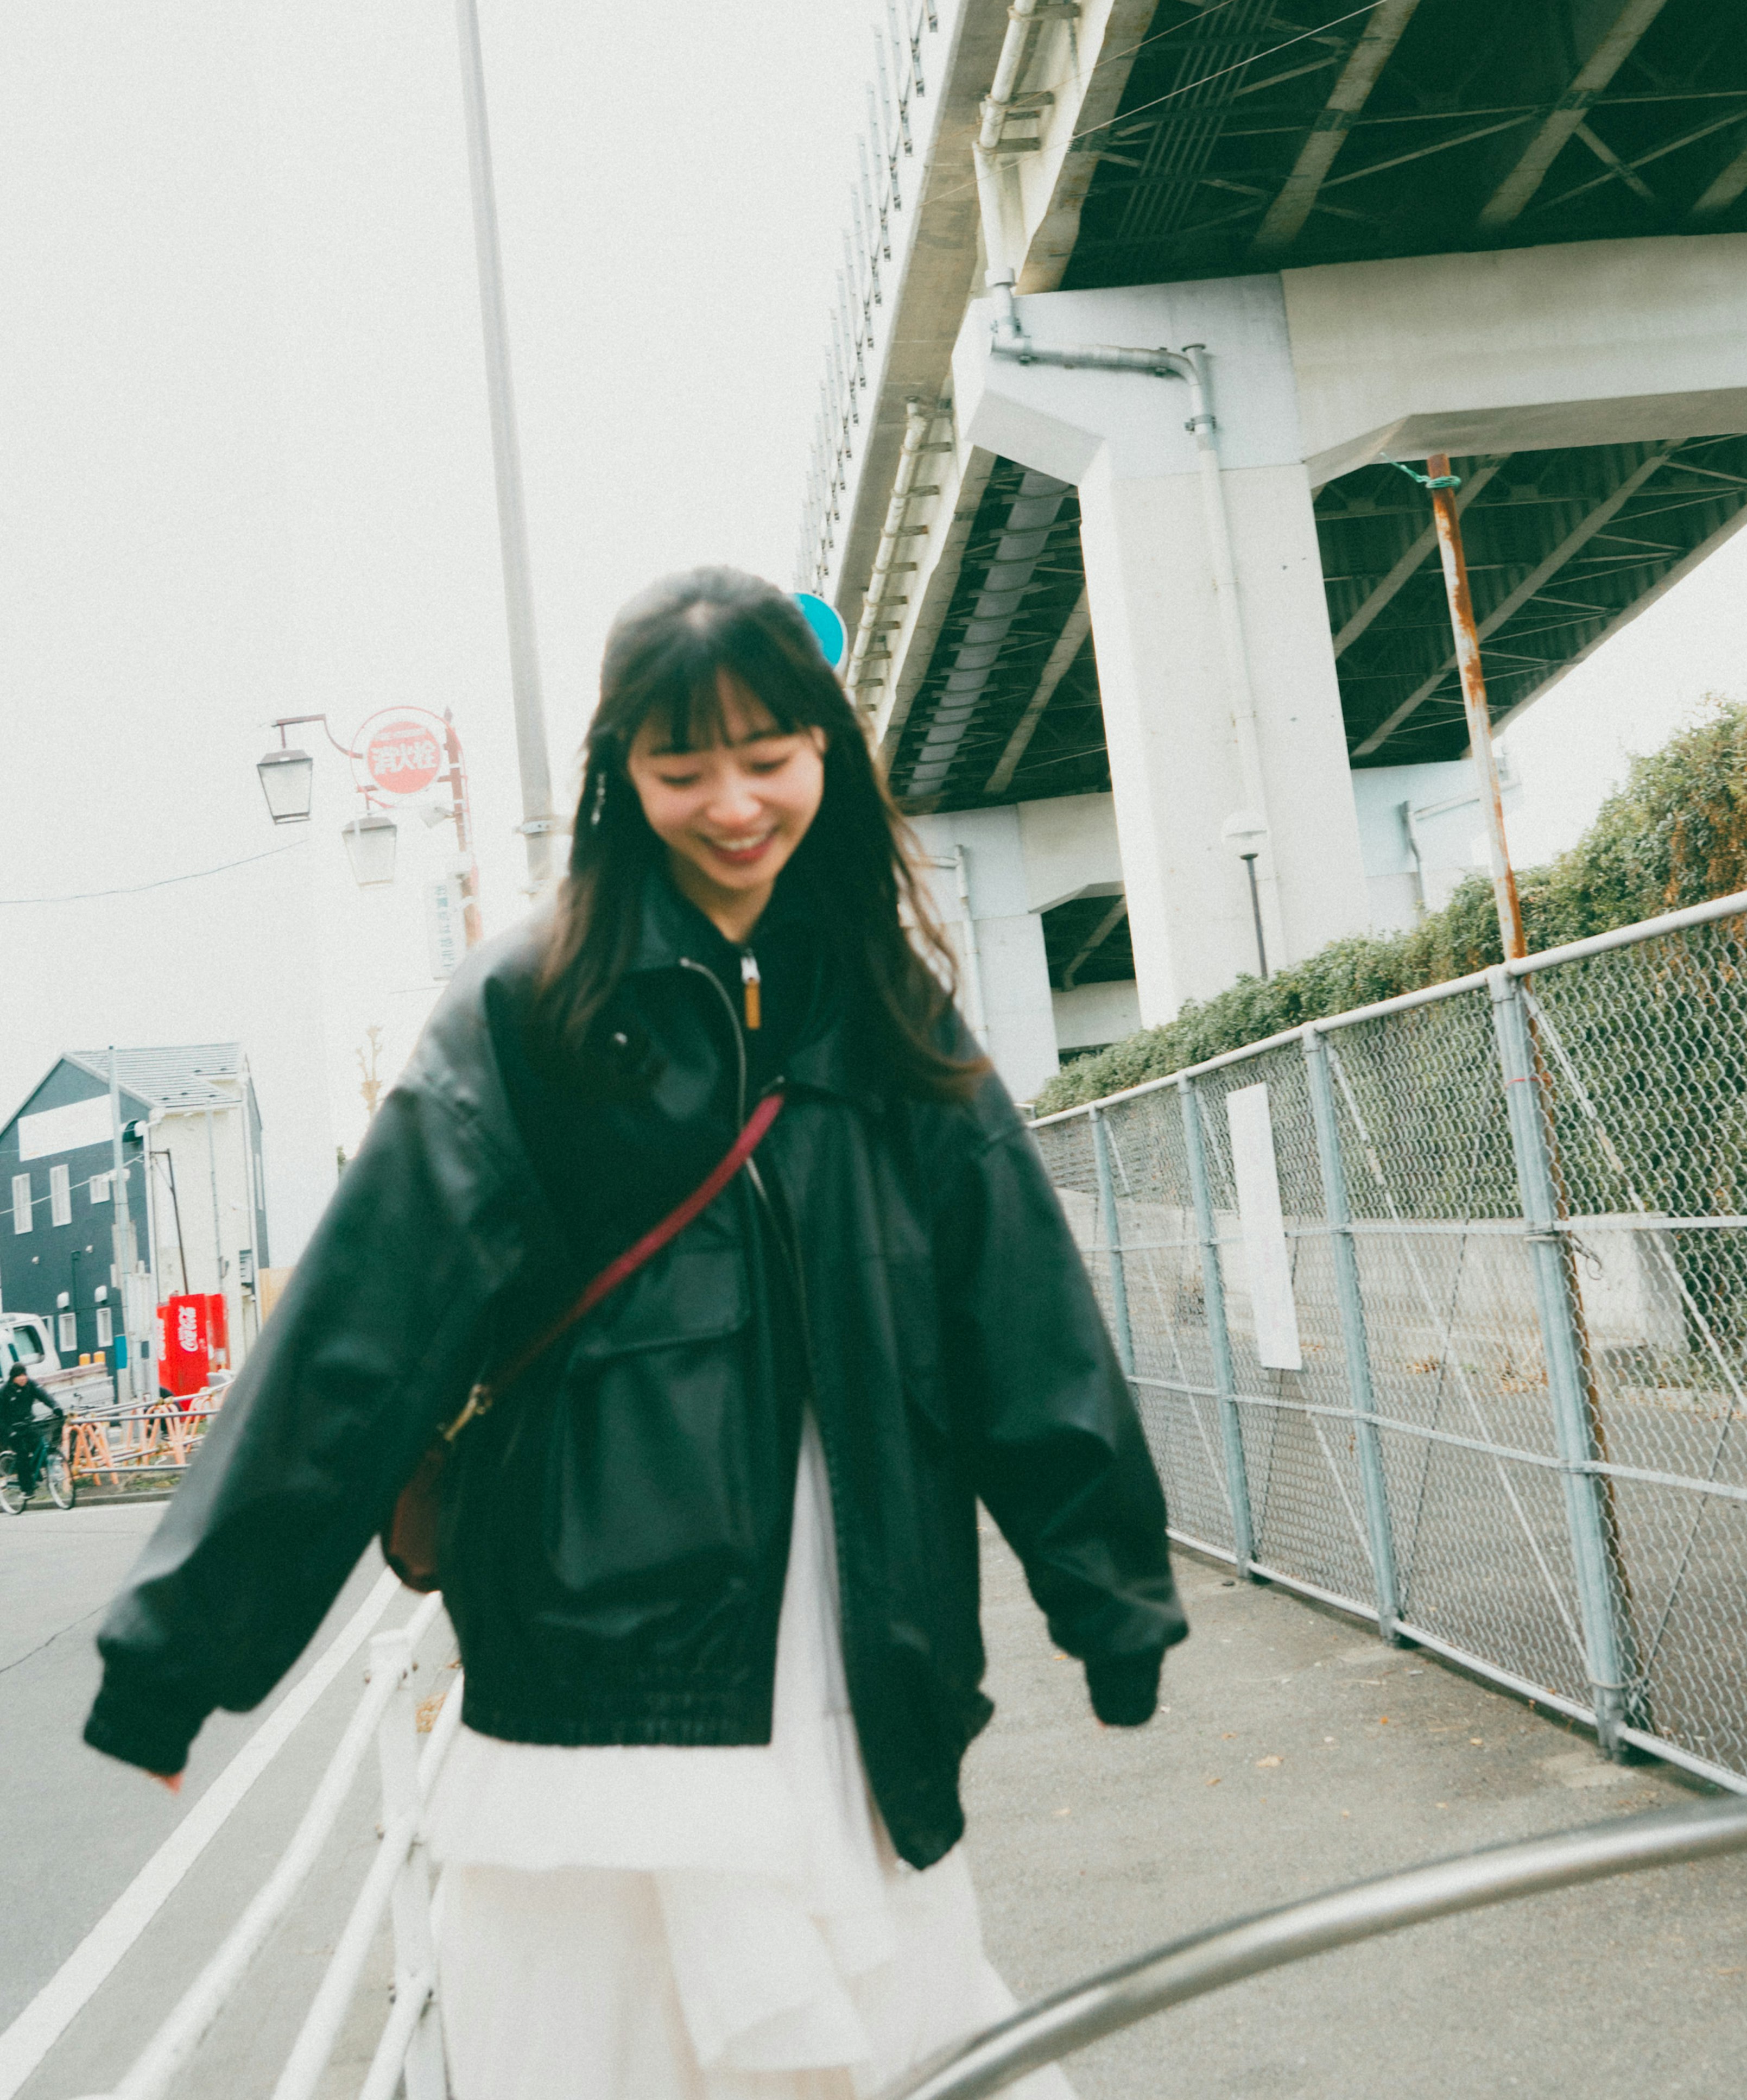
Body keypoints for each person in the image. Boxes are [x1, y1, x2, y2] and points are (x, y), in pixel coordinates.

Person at [85, 568, 1186, 2098]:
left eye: (768, 754)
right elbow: (356, 1340)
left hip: (848, 1637)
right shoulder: (526, 1016)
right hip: (591, 1693)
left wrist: (1111, 1591)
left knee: (870, 2033)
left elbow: (1019, 1316)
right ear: (622, 774)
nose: (734, 801)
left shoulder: (884, 1005)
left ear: (826, 751)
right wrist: (174, 1656)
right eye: (684, 765)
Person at [1, 1361, 63, 1492]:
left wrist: (55, 1407)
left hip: (27, 1424)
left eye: (25, 1375)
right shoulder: (5, 1391)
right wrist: (10, 1431)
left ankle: (35, 1472)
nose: (23, 1378)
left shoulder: (30, 1385)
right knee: (22, 1453)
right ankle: (27, 1489)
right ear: (13, 1378)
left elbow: (44, 1395)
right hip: (10, 1428)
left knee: (40, 1445)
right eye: (19, 1376)